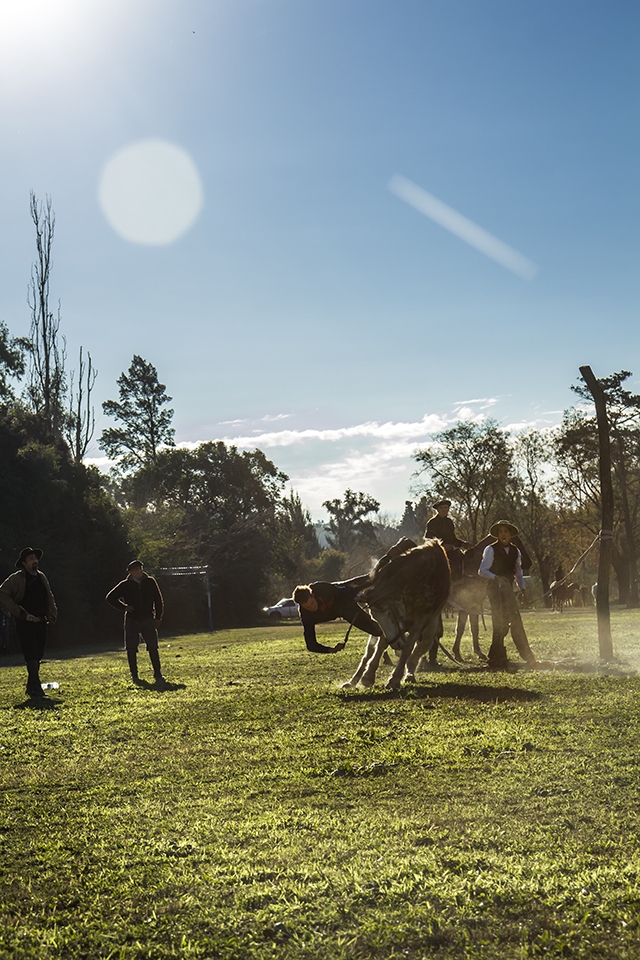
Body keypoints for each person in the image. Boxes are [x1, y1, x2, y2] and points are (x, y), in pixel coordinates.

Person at [478, 521, 537, 669]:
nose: (503, 534)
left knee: (515, 620)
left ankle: (525, 655)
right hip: (494, 589)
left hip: (509, 591)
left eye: (506, 531)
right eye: (501, 532)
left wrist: (523, 591)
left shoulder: (515, 551)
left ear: (510, 534)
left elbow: (518, 573)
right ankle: (497, 656)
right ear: (498, 535)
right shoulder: (490, 550)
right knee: (499, 621)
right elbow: (482, 570)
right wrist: (496, 577)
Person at [0, 547, 58, 698]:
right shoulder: (16, 579)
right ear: (24, 563)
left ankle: (31, 685)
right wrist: (18, 612)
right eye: (31, 559)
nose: (35, 561)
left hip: (40, 621)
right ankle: (36, 688)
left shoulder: (41, 577)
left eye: (35, 558)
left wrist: (52, 613)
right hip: (25, 622)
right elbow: (2, 594)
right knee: (31, 653)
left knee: (38, 654)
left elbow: (49, 595)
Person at [106, 560, 166, 685]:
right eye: (136, 570)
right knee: (131, 648)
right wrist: (124, 607)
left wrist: (158, 617)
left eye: (140, 568)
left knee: (153, 647)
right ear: (130, 572)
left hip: (148, 618)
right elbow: (110, 597)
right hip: (132, 620)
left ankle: (158, 673)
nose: (139, 571)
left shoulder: (150, 582)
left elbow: (158, 600)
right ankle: (134, 674)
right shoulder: (125, 585)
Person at [293, 577, 383, 653]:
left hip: (344, 592)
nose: (312, 607)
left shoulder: (320, 588)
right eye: (308, 607)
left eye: (312, 603)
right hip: (345, 610)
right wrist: (330, 650)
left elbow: (341, 591)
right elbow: (311, 644)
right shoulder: (306, 616)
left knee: (372, 578)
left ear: (312, 595)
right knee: (377, 630)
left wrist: (356, 597)